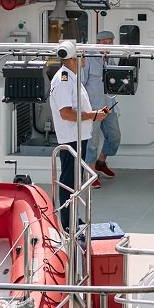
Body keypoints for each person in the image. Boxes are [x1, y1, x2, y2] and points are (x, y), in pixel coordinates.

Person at [49, 55, 111, 231]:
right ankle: (68, 223)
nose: (85, 58)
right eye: (82, 56)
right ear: (72, 60)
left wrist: (94, 114)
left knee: (73, 180)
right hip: (71, 138)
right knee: (68, 180)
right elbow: (66, 114)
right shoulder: (64, 79)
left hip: (78, 137)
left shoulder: (71, 77)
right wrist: (93, 115)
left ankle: (73, 219)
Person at [81, 30, 123, 181]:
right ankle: (91, 175)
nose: (107, 45)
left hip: (108, 105)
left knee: (114, 137)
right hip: (93, 108)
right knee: (92, 143)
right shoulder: (89, 58)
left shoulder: (109, 58)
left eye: (110, 42)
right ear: (97, 42)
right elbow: (81, 85)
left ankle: (101, 162)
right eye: (104, 42)